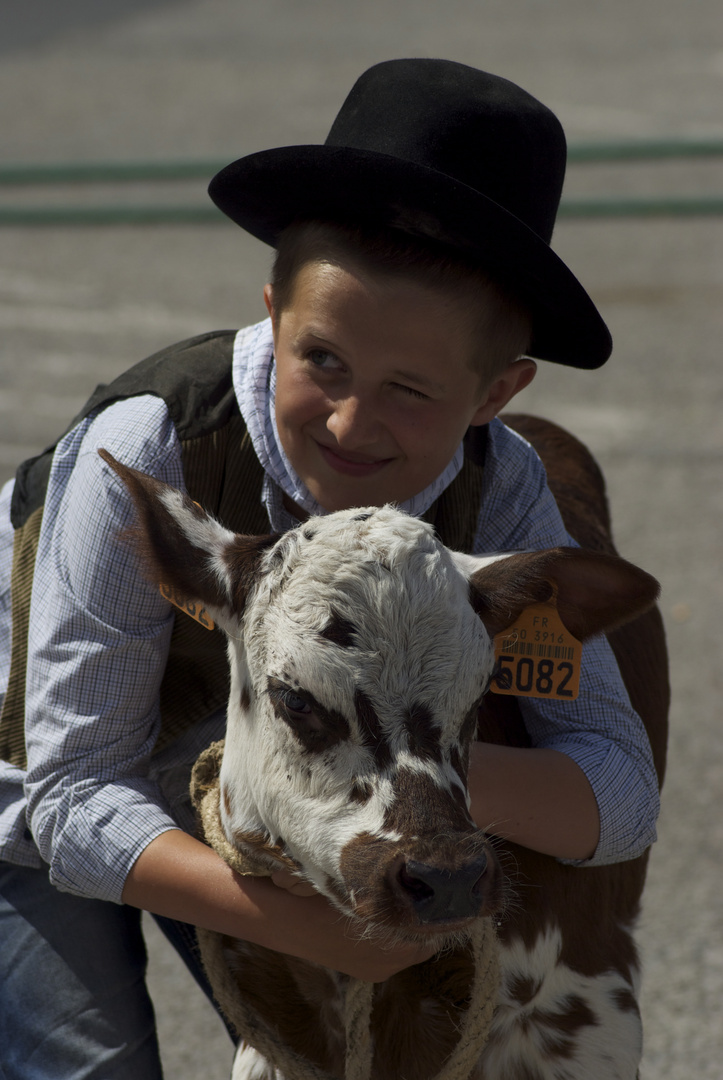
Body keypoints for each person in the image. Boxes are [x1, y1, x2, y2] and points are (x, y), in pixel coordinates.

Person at [0, 59, 659, 1079]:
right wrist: (316, 927)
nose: (352, 422)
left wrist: (409, 775)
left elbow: (617, 791)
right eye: (324, 363)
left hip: (292, 779)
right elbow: (73, 793)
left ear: (496, 395)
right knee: (90, 1064)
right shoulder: (151, 448)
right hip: (44, 782)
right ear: (272, 311)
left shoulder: (504, 483)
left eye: (411, 390)